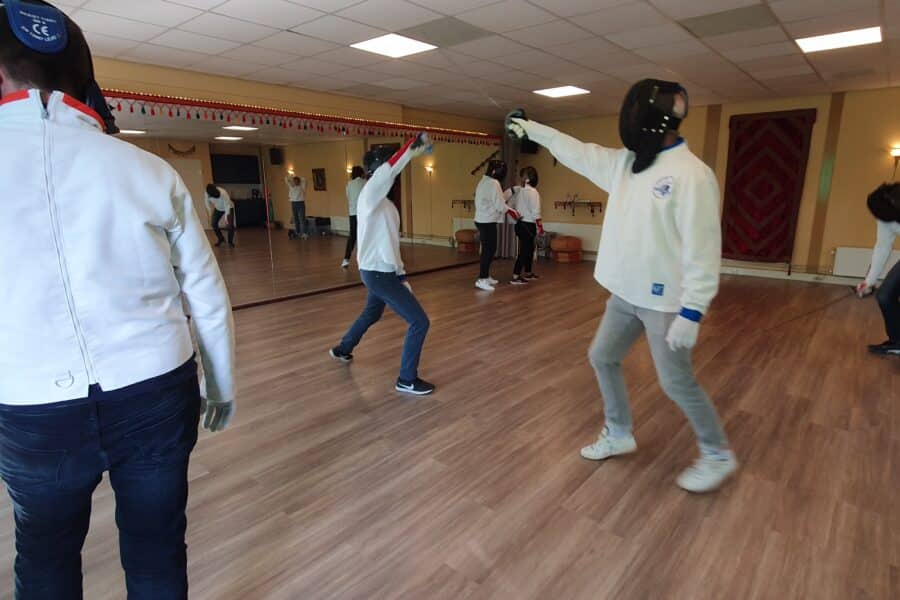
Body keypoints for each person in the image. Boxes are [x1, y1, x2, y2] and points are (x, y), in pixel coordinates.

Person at [0, 2, 237, 597]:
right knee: (157, 548)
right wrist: (221, 384)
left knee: (46, 559)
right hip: (157, 388)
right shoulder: (148, 170)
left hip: (31, 408)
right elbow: (206, 293)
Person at [507, 79, 737, 493]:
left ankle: (717, 453)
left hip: (666, 303)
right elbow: (577, 152)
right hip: (625, 295)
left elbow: (704, 250)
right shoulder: (626, 164)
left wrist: (692, 311)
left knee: (676, 382)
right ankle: (618, 432)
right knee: (602, 356)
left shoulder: (692, 175)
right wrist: (533, 129)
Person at [330, 135, 436, 395]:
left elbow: (389, 245)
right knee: (419, 322)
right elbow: (389, 169)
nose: (394, 175)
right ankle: (406, 379)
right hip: (378, 273)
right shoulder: (370, 194)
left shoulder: (383, 202)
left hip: (381, 271)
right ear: (378, 171)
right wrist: (412, 146)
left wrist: (401, 276)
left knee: (372, 313)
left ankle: (342, 349)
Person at [856, 182, 900, 355]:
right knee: (885, 296)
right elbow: (882, 247)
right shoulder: (883, 212)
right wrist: (869, 282)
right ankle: (898, 341)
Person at [473, 159, 520, 291]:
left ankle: (486, 276)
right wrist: (513, 212)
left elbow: (497, 199)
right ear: (495, 171)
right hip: (486, 221)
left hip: (483, 220)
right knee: (488, 250)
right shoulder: (493, 183)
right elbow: (500, 205)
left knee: (490, 249)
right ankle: (482, 279)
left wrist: (511, 191)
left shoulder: (485, 181)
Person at [509, 166, 544, 285]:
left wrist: (515, 218)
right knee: (526, 250)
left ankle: (528, 272)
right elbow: (536, 212)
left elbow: (510, 206)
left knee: (529, 249)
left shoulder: (519, 191)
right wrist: (540, 228)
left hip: (520, 224)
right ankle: (516, 276)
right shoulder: (533, 192)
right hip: (528, 225)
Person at [343, 165, 366, 268]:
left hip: (353, 213)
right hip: (364, 213)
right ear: (361, 173)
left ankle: (346, 260)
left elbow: (348, 197)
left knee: (352, 236)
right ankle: (363, 260)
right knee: (364, 236)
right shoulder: (365, 183)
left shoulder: (349, 184)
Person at [205, 182, 235, 248]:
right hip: (218, 208)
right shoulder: (207, 193)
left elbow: (227, 206)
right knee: (213, 223)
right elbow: (207, 203)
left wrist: (226, 218)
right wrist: (210, 214)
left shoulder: (223, 193)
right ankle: (221, 239)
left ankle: (230, 242)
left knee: (230, 225)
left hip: (229, 207)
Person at [286, 171, 308, 239]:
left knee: (302, 219)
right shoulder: (291, 187)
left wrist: (297, 176)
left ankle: (304, 233)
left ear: (299, 181)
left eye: (297, 181)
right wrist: (291, 175)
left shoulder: (302, 187)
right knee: (295, 219)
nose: (295, 182)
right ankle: (297, 232)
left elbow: (304, 179)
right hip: (293, 203)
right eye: (294, 181)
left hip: (301, 203)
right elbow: (286, 179)